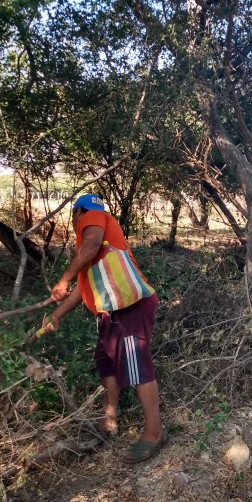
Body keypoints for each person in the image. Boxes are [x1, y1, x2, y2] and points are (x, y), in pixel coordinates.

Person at [46, 194, 168, 464]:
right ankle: (109, 420)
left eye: (79, 218)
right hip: (113, 312)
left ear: (78, 212)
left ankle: (154, 433)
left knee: (138, 368)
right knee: (105, 362)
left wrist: (62, 279)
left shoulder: (92, 222)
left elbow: (88, 247)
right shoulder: (94, 250)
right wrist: (56, 315)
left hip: (130, 308)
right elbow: (83, 288)